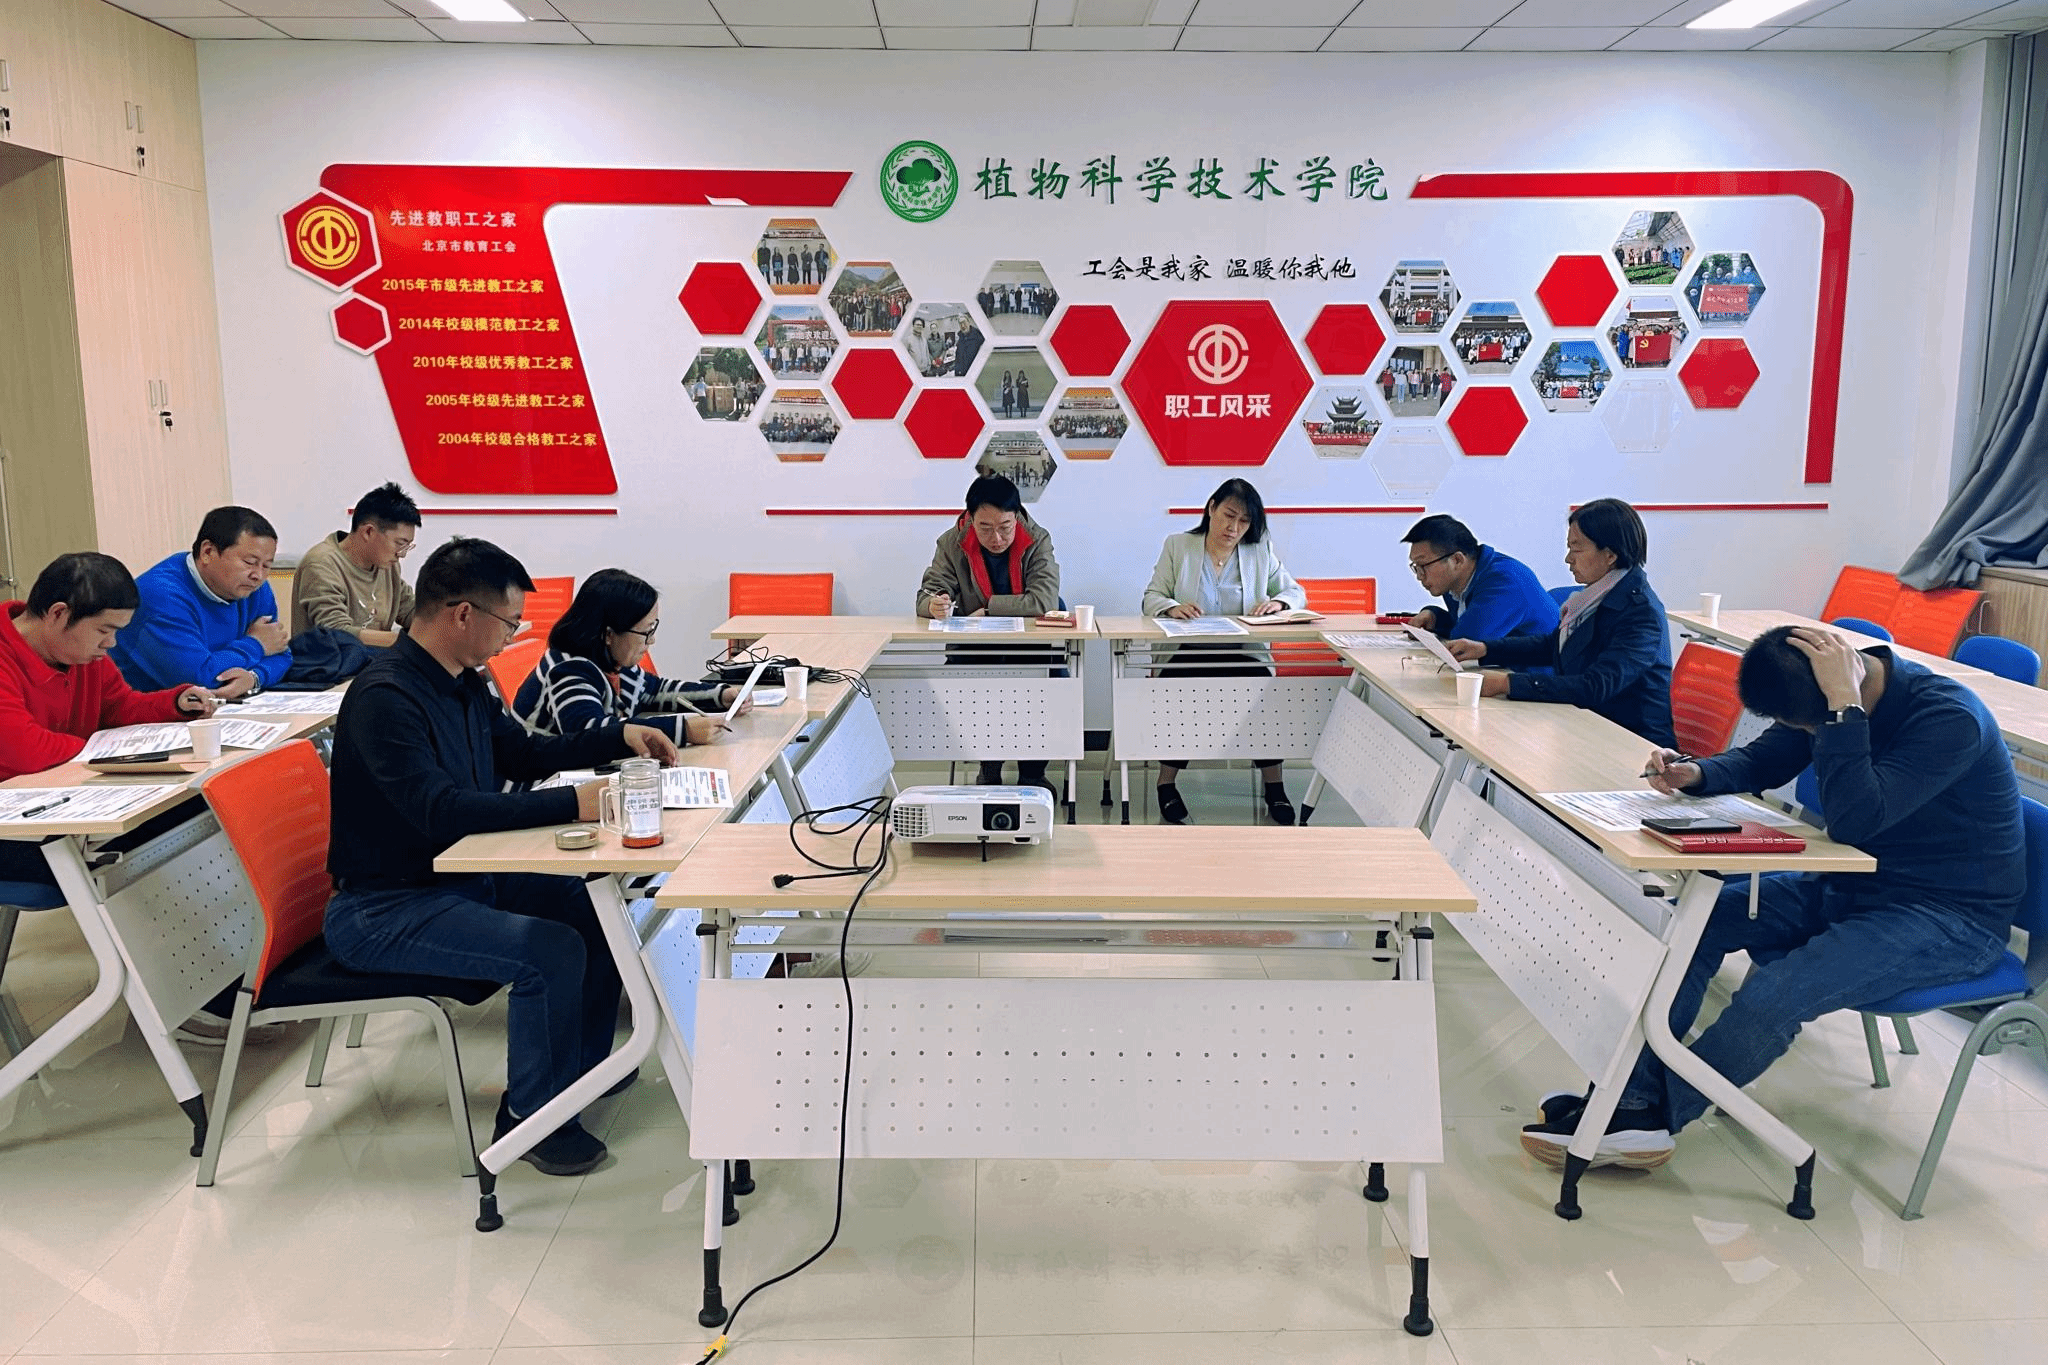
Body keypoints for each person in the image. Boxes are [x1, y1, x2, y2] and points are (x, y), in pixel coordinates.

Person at [1521, 624, 2027, 1171]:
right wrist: (1695, 772)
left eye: (1809, 726)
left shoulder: (1947, 718)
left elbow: (1854, 820)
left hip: (1949, 917)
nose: (1805, 735)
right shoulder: (1820, 686)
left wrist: (1843, 711)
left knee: (1775, 993)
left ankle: (1649, 1118)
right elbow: (1764, 759)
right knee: (1688, 926)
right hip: (1851, 886)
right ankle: (1630, 1102)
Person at [322, 538, 683, 1177]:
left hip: (460, 878)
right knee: (549, 949)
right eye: (509, 623)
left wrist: (619, 735)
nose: (513, 637)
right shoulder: (386, 697)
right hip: (385, 905)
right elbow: (441, 812)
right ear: (463, 614)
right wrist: (575, 802)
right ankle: (531, 1120)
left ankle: (581, 1074)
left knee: (590, 907)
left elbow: (521, 753)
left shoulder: (463, 681)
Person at [0, 552, 219, 857]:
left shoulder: (82, 655)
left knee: (193, 809)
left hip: (69, 803)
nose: (111, 643)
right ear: (58, 614)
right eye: (104, 630)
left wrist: (175, 703)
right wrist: (98, 751)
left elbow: (119, 706)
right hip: (17, 826)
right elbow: (24, 750)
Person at [1141, 478, 1305, 827]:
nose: (1234, 528)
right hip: (1187, 652)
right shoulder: (1179, 545)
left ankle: (1275, 787)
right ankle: (1166, 784)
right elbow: (1151, 597)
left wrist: (1278, 603)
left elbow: (1294, 592)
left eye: (1244, 521)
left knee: (1264, 693)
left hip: (1243, 654)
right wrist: (1171, 607)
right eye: (1229, 516)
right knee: (1179, 690)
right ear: (1212, 508)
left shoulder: (1259, 551)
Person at [1446, 498, 1675, 747]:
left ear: (1610, 555)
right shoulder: (1596, 596)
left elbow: (1595, 686)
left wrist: (1507, 683)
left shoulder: (1641, 614)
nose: (1568, 559)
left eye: (1576, 549)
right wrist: (1484, 649)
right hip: (1585, 725)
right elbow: (1552, 646)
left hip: (1633, 743)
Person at [915, 475, 1062, 792]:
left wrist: (989, 608)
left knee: (1050, 685)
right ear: (970, 519)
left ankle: (1032, 774)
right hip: (976, 647)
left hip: (1031, 646)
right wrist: (934, 605)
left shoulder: (1037, 539)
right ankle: (989, 768)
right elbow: (926, 595)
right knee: (980, 686)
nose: (996, 538)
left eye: (1005, 527)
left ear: (1017, 516)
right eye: (985, 528)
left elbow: (1044, 601)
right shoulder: (951, 543)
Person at [514, 568, 746, 745]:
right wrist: (682, 730)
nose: (651, 641)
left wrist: (721, 695)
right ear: (609, 634)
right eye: (646, 632)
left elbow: (654, 690)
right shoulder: (567, 670)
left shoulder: (611, 659)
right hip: (539, 783)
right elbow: (592, 734)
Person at [112, 506, 290, 699]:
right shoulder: (161, 595)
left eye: (267, 565)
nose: (259, 575)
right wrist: (256, 644)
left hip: (219, 707)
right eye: (249, 562)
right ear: (207, 552)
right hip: (148, 710)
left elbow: (281, 653)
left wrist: (255, 678)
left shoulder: (253, 588)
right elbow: (199, 679)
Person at [291, 482, 420, 648]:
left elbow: (413, 613)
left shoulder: (387, 566)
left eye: (407, 546)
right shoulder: (321, 565)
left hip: (377, 661)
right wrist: (403, 642)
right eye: (400, 544)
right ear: (368, 532)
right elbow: (336, 632)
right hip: (331, 662)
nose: (401, 554)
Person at [1401, 513, 1557, 641]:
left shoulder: (1504, 582)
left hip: (1533, 669)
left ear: (1457, 560)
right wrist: (1435, 617)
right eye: (1416, 567)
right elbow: (1466, 623)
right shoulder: (1456, 581)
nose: (1419, 576)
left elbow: (1466, 641)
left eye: (1423, 565)